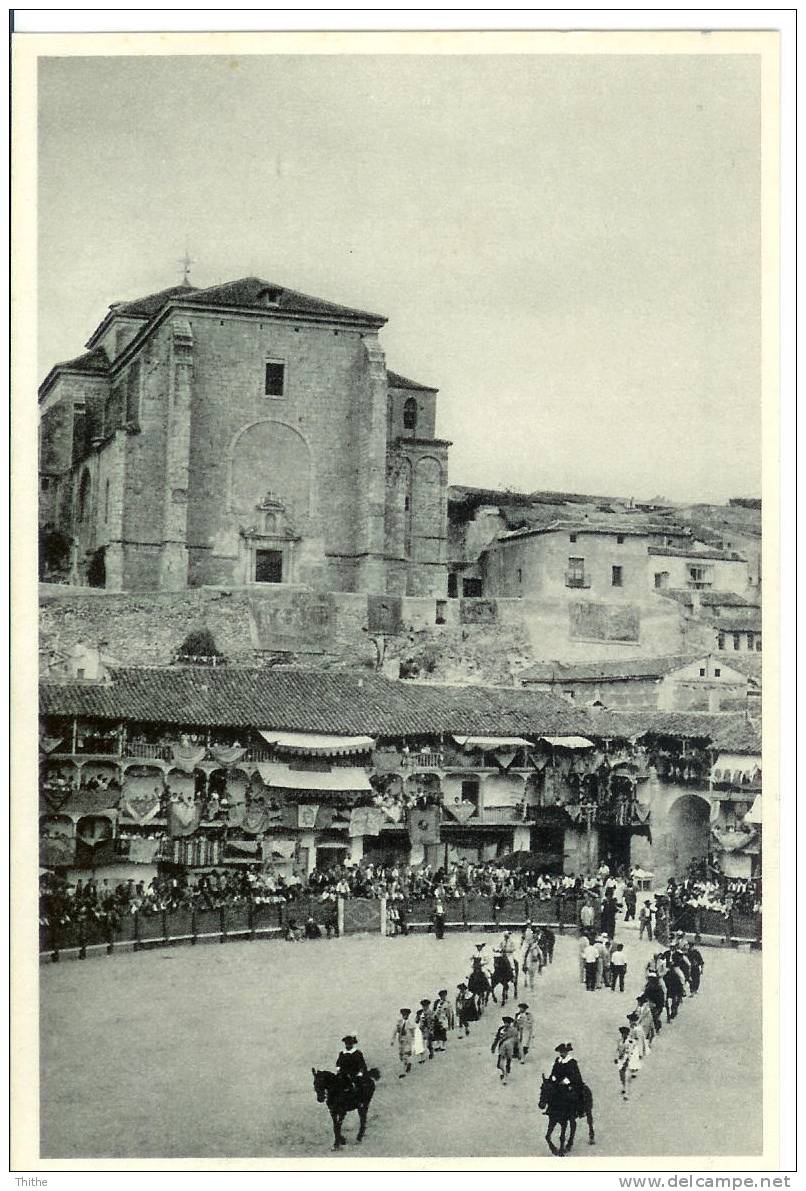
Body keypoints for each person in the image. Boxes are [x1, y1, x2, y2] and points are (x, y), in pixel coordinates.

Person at [548, 1042, 585, 1115]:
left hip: (570, 1082)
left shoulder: (572, 1062)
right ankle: (550, 1108)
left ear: (567, 1052)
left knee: (574, 1094)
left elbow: (574, 1075)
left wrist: (566, 1081)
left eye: (564, 1052)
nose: (562, 1054)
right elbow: (554, 1070)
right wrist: (553, 1077)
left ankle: (579, 1110)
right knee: (549, 1090)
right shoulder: (558, 1060)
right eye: (561, 1052)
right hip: (558, 1081)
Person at [491, 1016, 519, 1085]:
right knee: (500, 1064)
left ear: (510, 1023)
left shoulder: (513, 1030)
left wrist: (516, 1050)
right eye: (505, 1023)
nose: (506, 1024)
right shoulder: (501, 1029)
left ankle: (505, 1077)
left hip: (509, 1049)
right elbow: (497, 1038)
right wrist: (493, 1046)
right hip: (501, 1048)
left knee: (507, 1063)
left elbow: (515, 1040)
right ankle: (504, 1073)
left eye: (507, 1023)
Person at [390, 1008, 415, 1077]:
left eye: (406, 1015)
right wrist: (393, 1040)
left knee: (405, 1054)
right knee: (401, 1056)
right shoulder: (399, 1022)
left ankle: (404, 1071)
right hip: (401, 1041)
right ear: (402, 1015)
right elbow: (395, 1031)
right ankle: (407, 1064)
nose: (405, 1016)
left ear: (408, 1015)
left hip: (407, 1041)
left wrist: (413, 1040)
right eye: (404, 1015)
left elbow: (413, 1033)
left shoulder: (410, 1023)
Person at [615, 1026, 632, 1100]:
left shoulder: (629, 1042)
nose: (624, 1035)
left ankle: (626, 1094)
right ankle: (623, 1087)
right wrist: (616, 1058)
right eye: (622, 1034)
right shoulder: (619, 1041)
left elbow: (629, 1053)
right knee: (621, 1075)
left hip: (627, 1060)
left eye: (625, 1034)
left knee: (627, 1076)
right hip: (620, 1060)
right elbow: (617, 1050)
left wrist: (626, 1061)